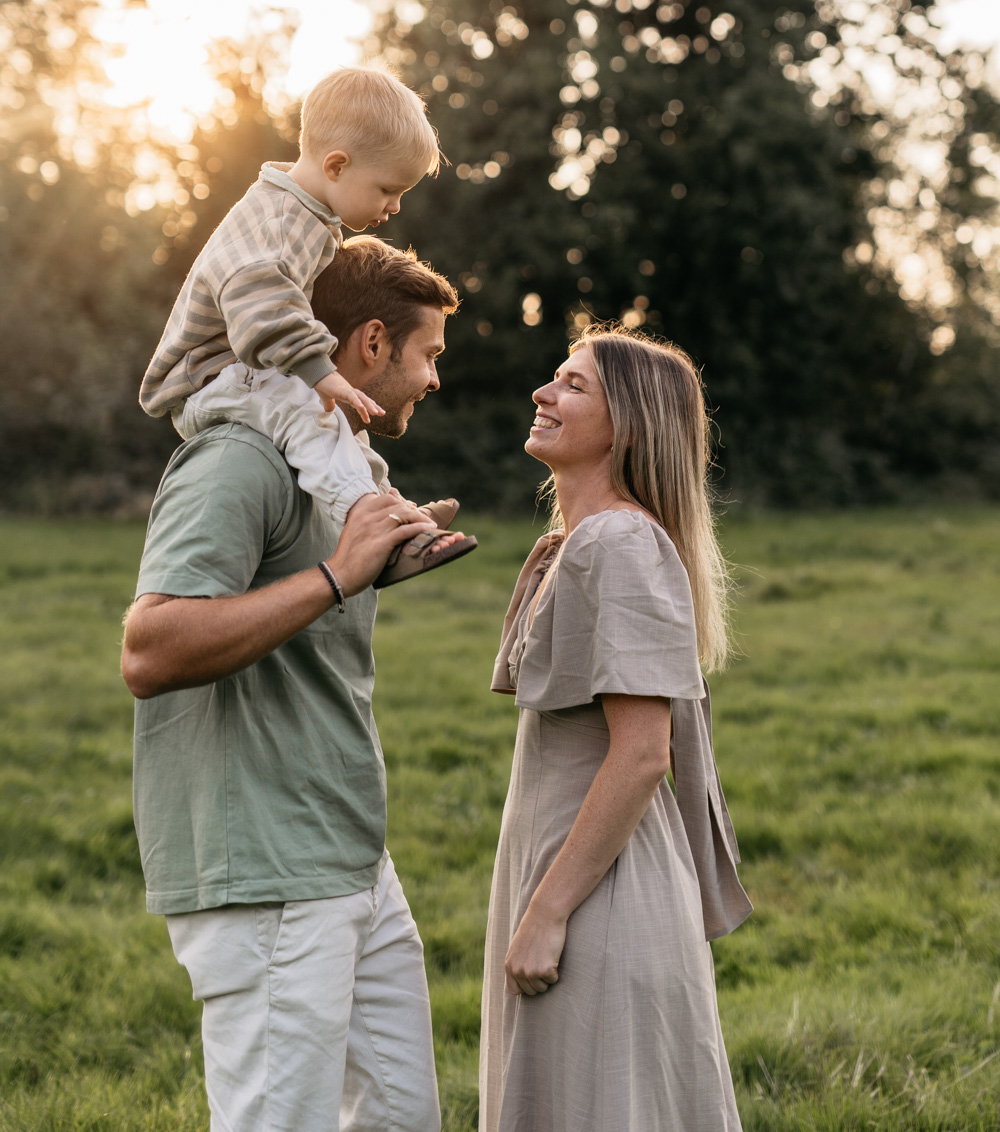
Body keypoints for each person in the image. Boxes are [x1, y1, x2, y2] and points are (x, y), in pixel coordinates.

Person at [122, 237, 463, 1132]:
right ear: (373, 344)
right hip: (268, 872)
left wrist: (381, 558)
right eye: (428, 355)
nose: (432, 380)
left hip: (351, 854)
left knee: (401, 1118)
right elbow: (149, 649)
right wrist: (337, 578)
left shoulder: (337, 470)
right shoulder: (238, 458)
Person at [480, 324, 752, 1132]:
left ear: (626, 424)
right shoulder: (576, 541)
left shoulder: (618, 543)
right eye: (553, 376)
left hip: (598, 895)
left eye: (572, 384)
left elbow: (640, 756)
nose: (543, 392)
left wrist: (549, 911)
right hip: (567, 871)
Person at [139, 64, 473, 586]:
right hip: (207, 375)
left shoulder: (307, 217)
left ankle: (395, 518)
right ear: (336, 166)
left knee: (339, 426)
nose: (395, 206)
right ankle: (371, 528)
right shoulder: (279, 221)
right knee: (310, 410)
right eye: (387, 188)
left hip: (244, 370)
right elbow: (260, 303)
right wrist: (320, 370)